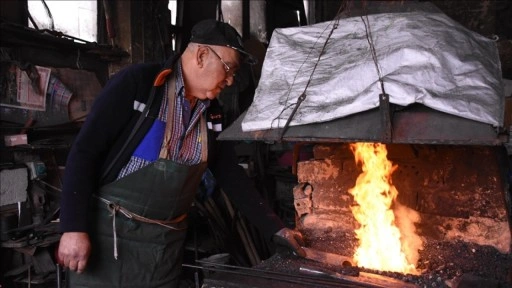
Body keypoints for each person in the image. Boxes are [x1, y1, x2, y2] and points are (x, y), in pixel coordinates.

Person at [57, 19, 306, 287]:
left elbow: (232, 177)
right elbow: (84, 153)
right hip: (111, 241)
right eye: (229, 68)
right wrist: (73, 227)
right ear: (201, 55)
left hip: (164, 250)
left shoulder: (212, 113)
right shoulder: (138, 85)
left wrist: (276, 229)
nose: (232, 80)